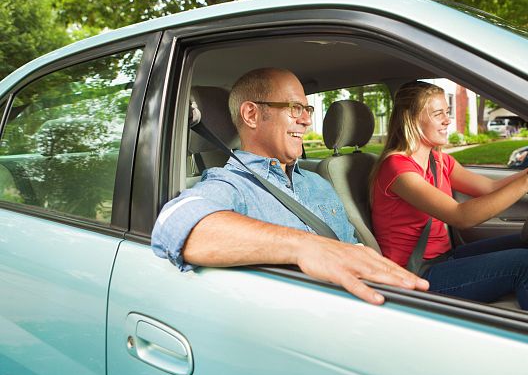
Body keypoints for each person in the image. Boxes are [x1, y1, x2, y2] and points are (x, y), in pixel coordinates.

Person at [152, 68, 428, 306]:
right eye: (295, 108)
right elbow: (173, 222)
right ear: (251, 114)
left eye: (307, 110)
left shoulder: (318, 183)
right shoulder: (231, 184)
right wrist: (303, 246)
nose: (307, 120)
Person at [370, 81, 528, 312]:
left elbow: (490, 187)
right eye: (438, 114)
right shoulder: (397, 168)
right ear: (411, 118)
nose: (447, 120)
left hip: (444, 258)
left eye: (447, 112)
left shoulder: (439, 160)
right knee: (525, 264)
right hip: (415, 274)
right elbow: (460, 216)